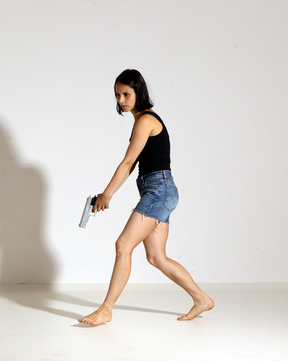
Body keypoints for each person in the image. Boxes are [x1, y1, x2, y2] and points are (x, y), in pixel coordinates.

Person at [78, 69, 214, 326]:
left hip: (158, 190)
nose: (121, 100)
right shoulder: (142, 121)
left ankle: (106, 309)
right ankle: (201, 299)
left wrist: (107, 195)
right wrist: (105, 194)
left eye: (126, 94)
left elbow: (128, 162)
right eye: (117, 95)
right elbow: (133, 164)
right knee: (156, 257)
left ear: (138, 91)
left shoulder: (145, 120)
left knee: (122, 246)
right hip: (162, 191)